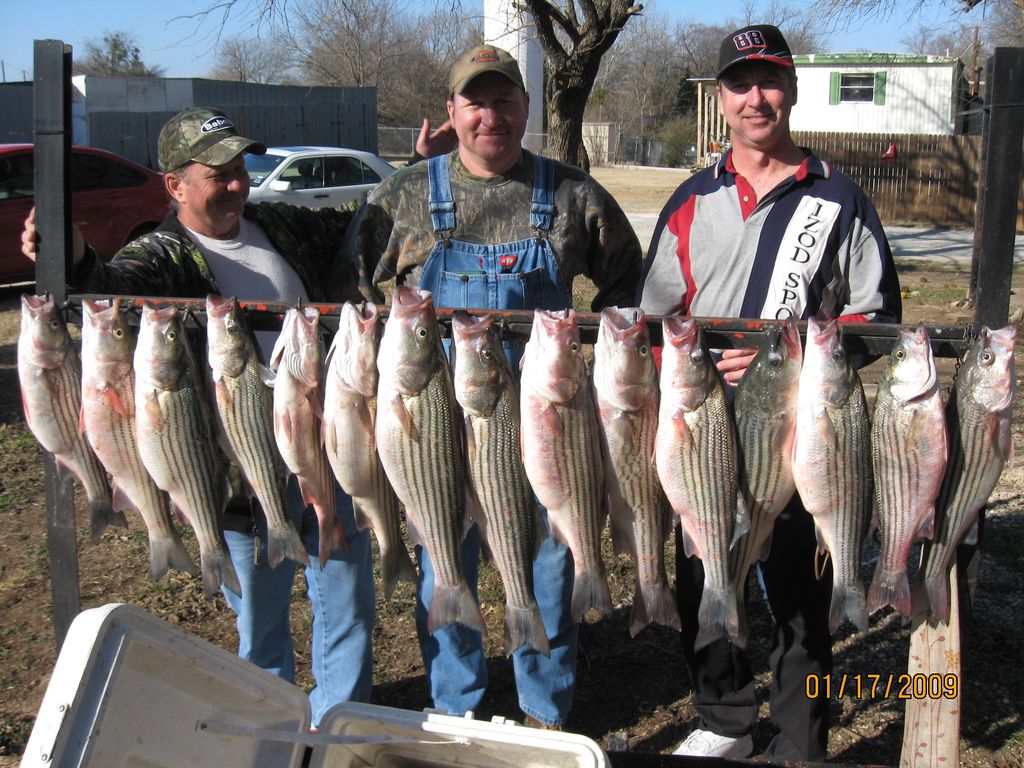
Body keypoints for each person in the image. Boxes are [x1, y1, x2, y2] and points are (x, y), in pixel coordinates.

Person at [21, 106, 375, 728]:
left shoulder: (276, 225)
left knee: (346, 603)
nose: (237, 184)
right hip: (236, 473)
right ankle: (271, 728)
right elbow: (113, 285)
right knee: (261, 621)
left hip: (320, 450)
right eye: (218, 174)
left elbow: (359, 220)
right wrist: (71, 253)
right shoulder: (162, 254)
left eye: (240, 169)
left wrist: (426, 170)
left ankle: (340, 726)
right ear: (175, 184)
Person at [342, 44, 643, 728]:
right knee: (444, 560)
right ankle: (458, 710)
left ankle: (546, 709)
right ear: (452, 111)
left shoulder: (572, 195)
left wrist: (589, 365)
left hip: (537, 424)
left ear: (525, 107)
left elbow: (630, 289)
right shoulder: (406, 195)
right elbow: (351, 289)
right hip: (432, 426)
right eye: (475, 101)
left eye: (504, 100)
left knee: (546, 564)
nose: (491, 116)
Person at [638, 25, 902, 761]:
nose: (758, 98)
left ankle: (800, 737)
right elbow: (654, 315)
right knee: (703, 573)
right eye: (741, 83)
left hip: (800, 433)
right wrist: (689, 362)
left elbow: (878, 316)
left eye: (771, 81)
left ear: (791, 88)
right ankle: (725, 718)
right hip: (703, 428)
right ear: (721, 97)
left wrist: (789, 361)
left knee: (801, 598)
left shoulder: (839, 199)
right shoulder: (691, 200)